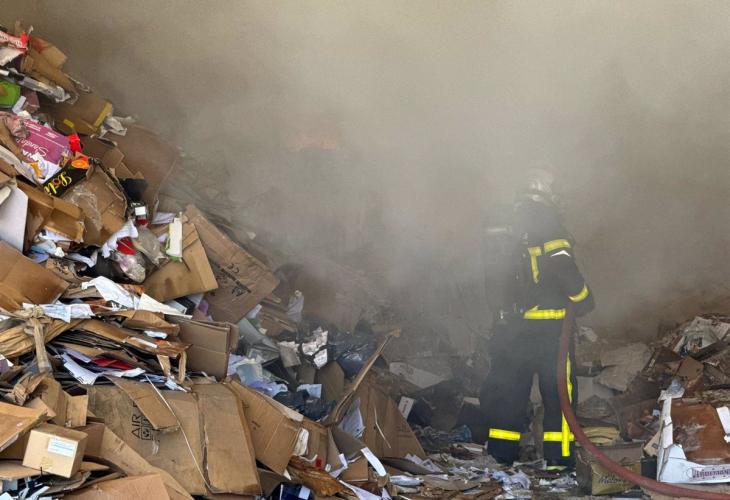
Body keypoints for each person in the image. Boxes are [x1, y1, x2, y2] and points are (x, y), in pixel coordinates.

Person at [479, 169, 594, 469]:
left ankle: (501, 455)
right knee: (558, 395)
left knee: (510, 392)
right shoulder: (547, 222)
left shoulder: (503, 224)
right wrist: (584, 300)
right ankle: (558, 460)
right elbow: (564, 270)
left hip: (510, 329)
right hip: (550, 330)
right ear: (547, 192)